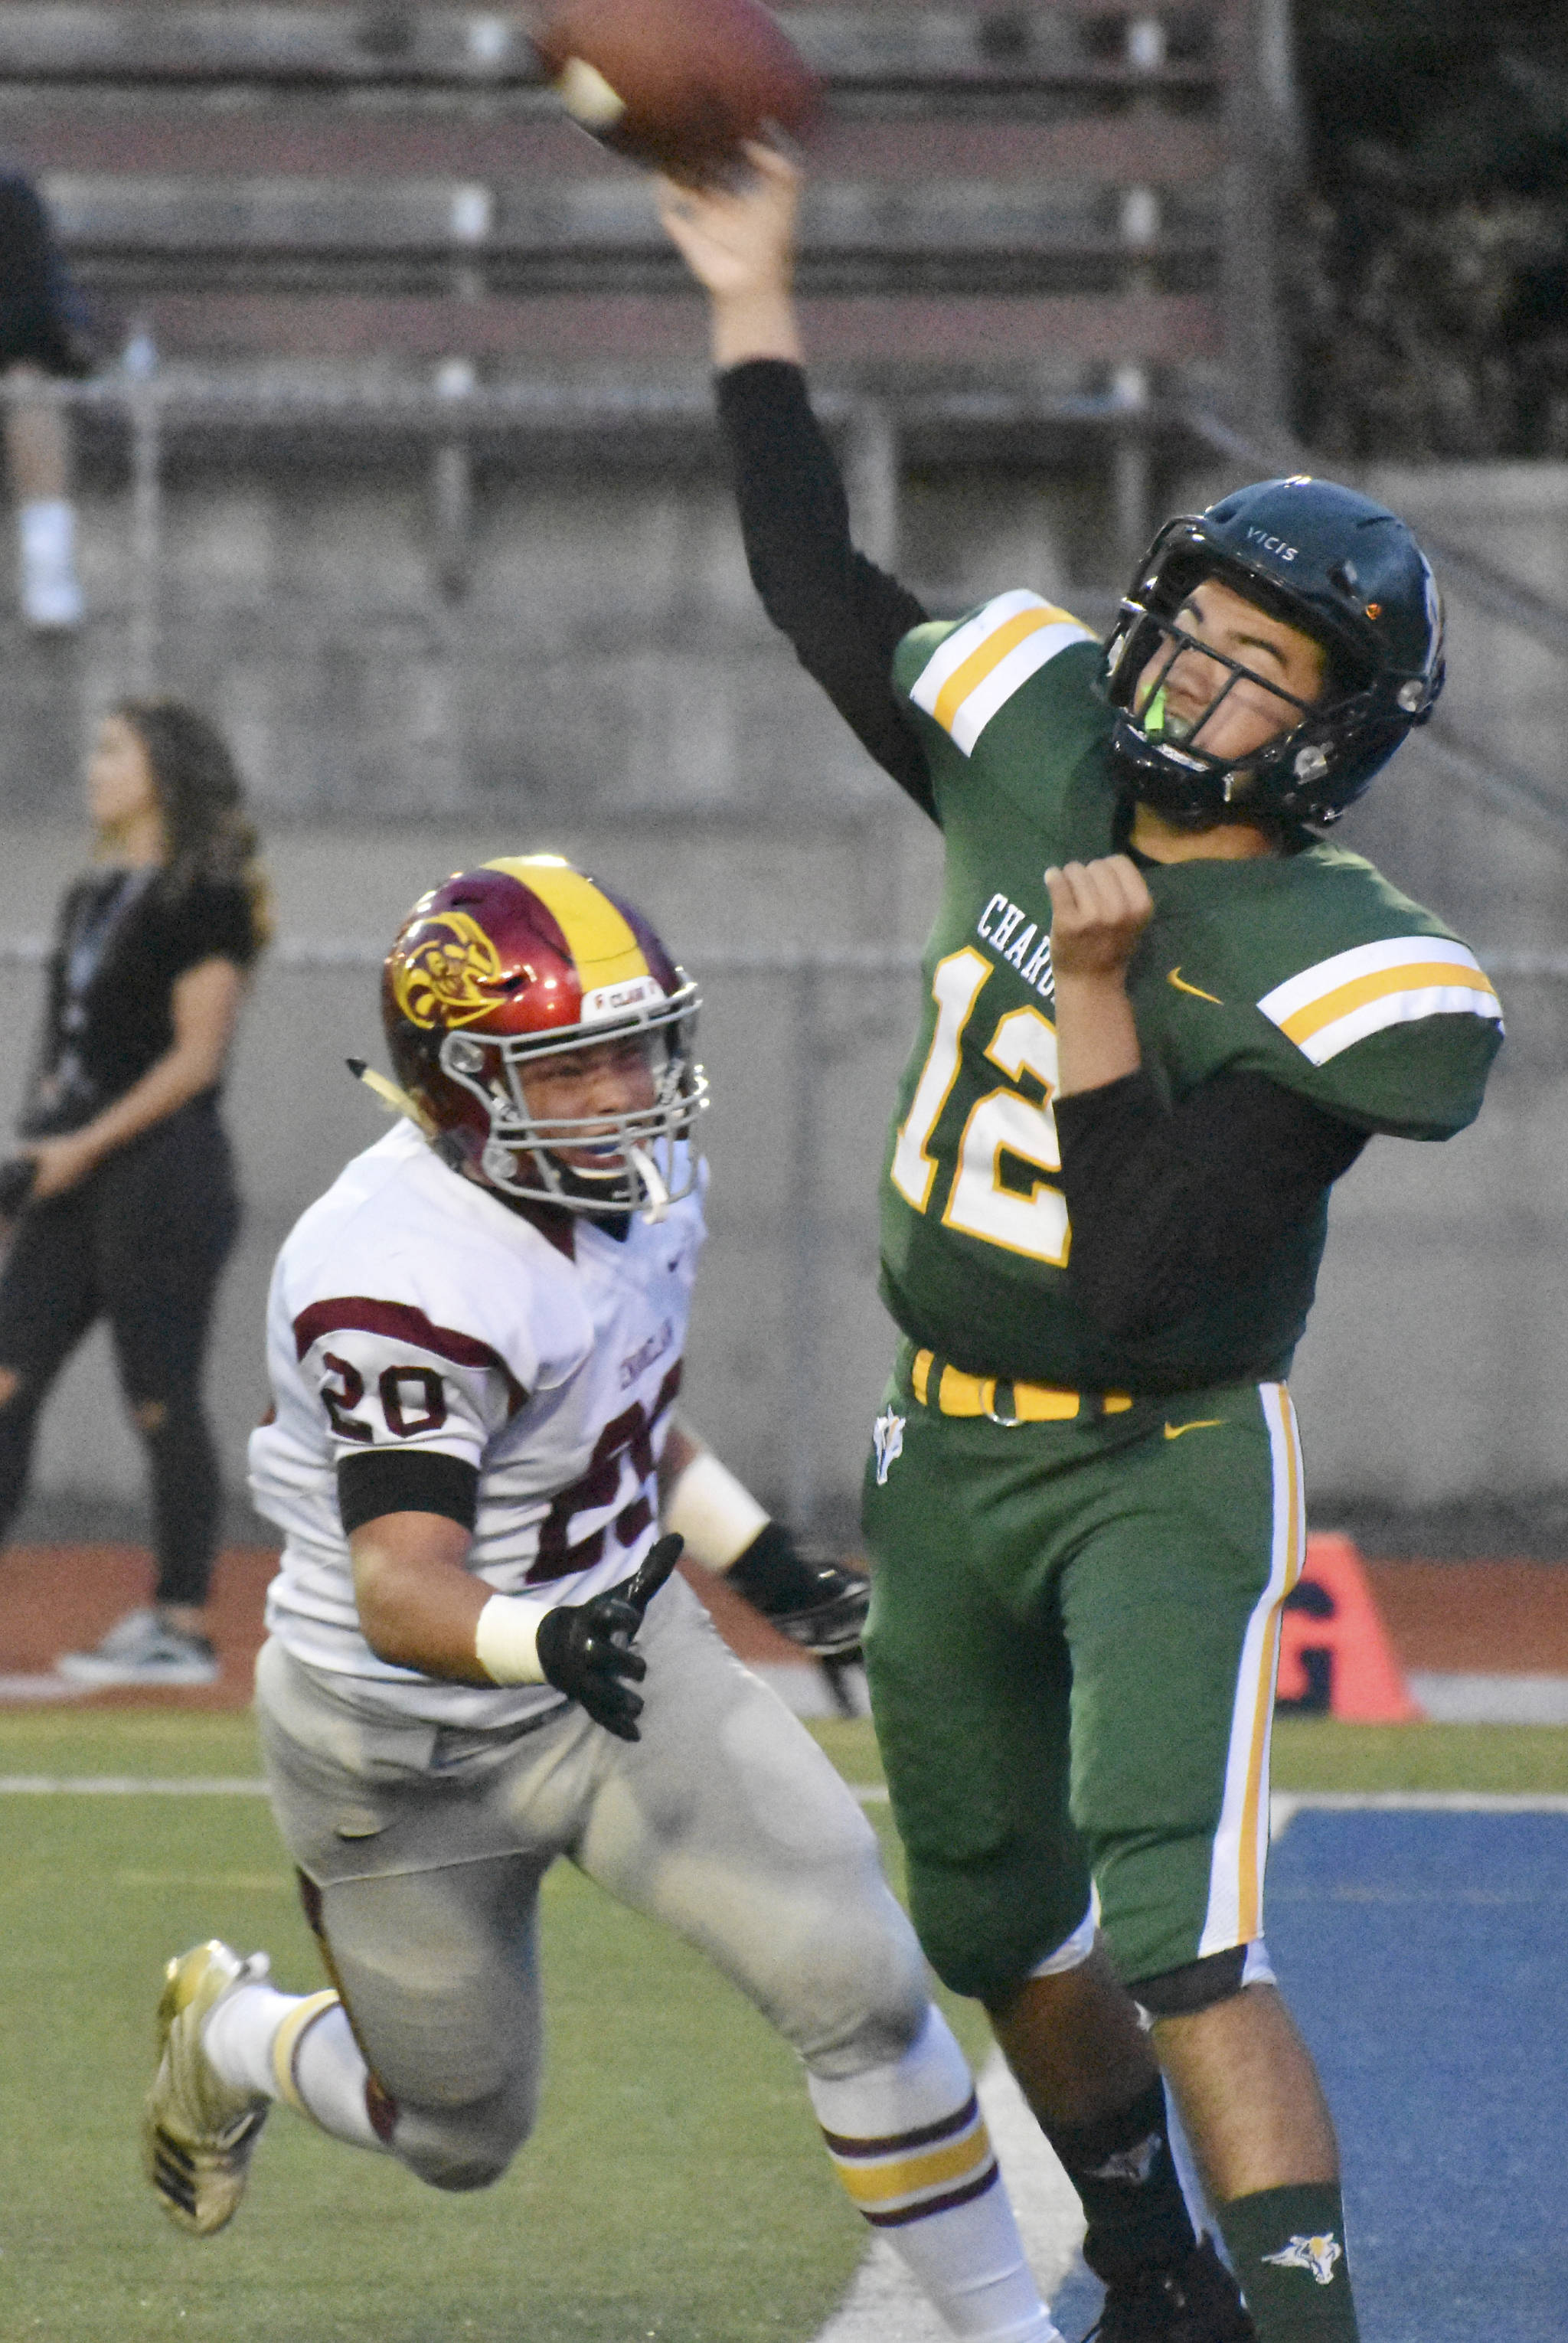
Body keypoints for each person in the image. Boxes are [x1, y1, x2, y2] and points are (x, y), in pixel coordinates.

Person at [658, 150, 1504, 2343]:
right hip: (938, 1441)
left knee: (1178, 1923)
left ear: (1329, 735)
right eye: (1198, 630)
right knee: (989, 1909)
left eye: (1263, 668)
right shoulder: (1028, 736)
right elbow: (807, 573)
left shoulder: (1350, 972)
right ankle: (1155, 2276)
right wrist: (753, 287)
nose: (1201, 678)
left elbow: (1140, 1280)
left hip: (1159, 1454)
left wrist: (1108, 995)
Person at [144, 853, 1071, 2343]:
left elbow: (606, 1413)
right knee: (457, 2132)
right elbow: (404, 1585)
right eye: (576, 1065)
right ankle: (235, 2034)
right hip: (404, 1736)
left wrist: (757, 1559)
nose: (629, 1090)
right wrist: (544, 1639)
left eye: (639, 1045)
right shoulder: (393, 1273)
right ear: (460, 1086)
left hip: (617, 1656)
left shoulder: (638, 1176)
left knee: (858, 1978)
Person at [0, 699, 268, 1686]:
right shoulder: (90, 897)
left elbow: (196, 1061)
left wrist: (86, 1146)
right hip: (70, 1174)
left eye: (112, 749)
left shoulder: (210, 896)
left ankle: (181, 1623)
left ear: (162, 769)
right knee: (6, 1380)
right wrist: (32, 1162)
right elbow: (60, 1055)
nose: (94, 766)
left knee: (159, 1398)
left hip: (163, 1173)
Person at [1, 165, 92, 629]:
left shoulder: (10, 196)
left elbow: (37, 310)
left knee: (29, 390)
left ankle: (48, 565)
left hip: (11, 365)